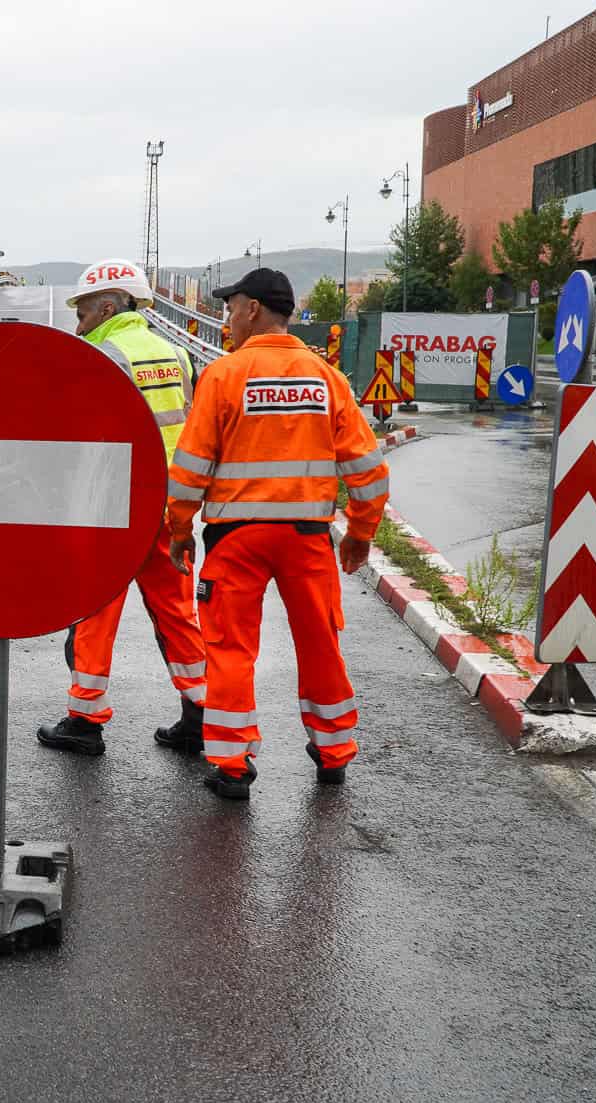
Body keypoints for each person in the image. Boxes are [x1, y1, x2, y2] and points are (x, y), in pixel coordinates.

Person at [165, 267, 389, 801]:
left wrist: (180, 529)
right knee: (320, 643)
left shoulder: (223, 376)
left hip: (236, 538)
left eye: (230, 307)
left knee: (229, 649)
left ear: (253, 310)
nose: (225, 318)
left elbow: (190, 466)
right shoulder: (327, 378)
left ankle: (233, 763)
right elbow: (367, 468)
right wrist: (360, 531)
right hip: (307, 536)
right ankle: (333, 753)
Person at [35, 259, 210, 759]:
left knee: (94, 610)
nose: (79, 323)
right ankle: (199, 715)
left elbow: (79, 438)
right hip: (168, 509)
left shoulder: (103, 356)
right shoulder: (177, 354)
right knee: (177, 612)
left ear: (109, 306)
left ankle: (85, 721)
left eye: (85, 311)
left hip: (112, 508)